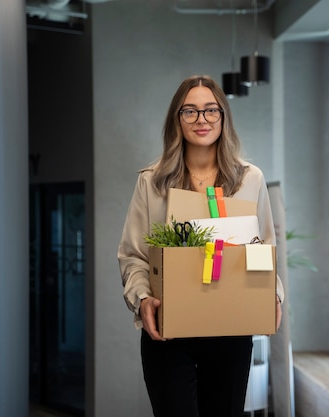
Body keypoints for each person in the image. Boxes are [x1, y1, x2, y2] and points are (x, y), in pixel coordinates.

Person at [117, 75, 284, 417]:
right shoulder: (152, 181)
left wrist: (273, 294)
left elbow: (264, 246)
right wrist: (143, 298)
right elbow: (133, 254)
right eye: (189, 111)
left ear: (223, 117)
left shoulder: (249, 178)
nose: (201, 120)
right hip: (169, 333)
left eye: (211, 110)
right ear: (176, 119)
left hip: (230, 330)